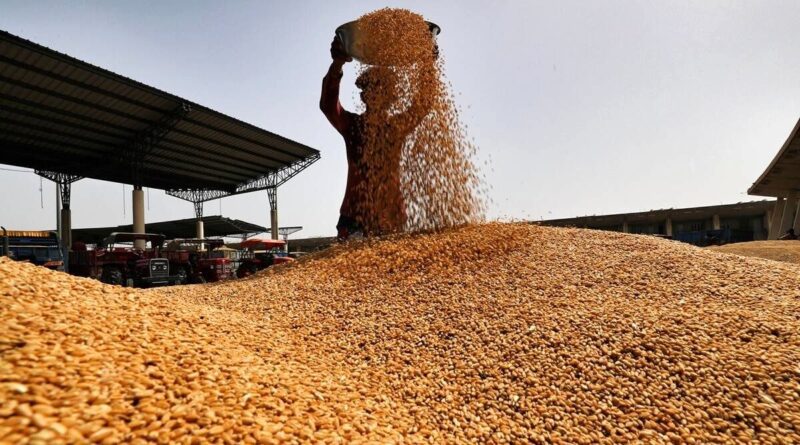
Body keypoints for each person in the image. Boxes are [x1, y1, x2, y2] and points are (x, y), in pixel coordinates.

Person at [320, 35, 433, 240]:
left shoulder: (396, 127)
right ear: (364, 96)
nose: (378, 95)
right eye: (372, 90)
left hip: (391, 217)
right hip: (354, 217)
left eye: (384, 90)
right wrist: (337, 64)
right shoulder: (352, 125)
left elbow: (423, 104)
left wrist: (427, 66)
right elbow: (329, 105)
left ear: (393, 97)